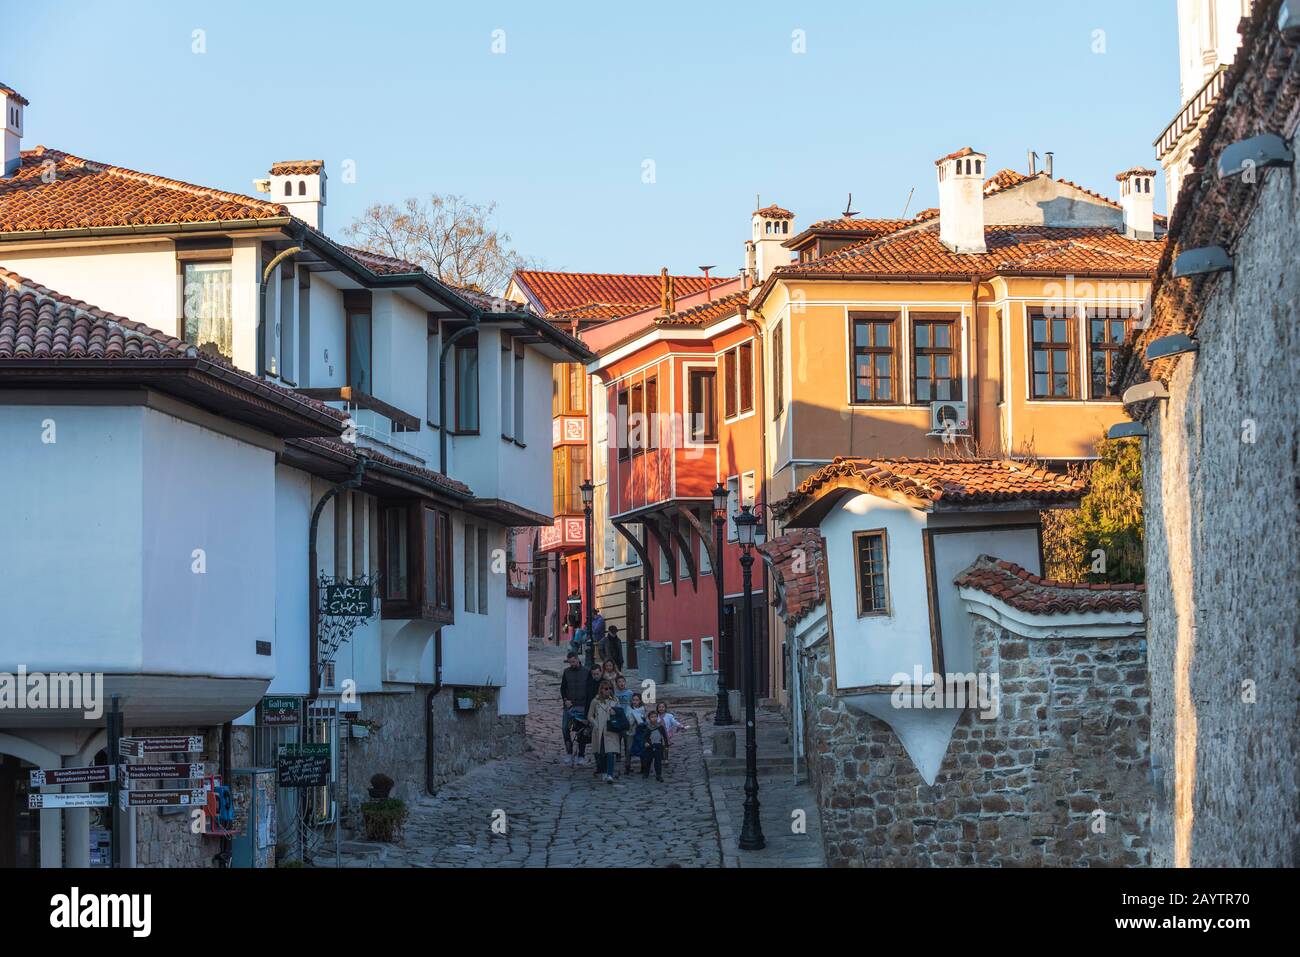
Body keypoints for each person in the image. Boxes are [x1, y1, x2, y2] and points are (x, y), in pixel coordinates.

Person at [586, 680, 623, 783]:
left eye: (610, 688)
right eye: (606, 689)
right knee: (601, 752)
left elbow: (620, 713)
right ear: (601, 690)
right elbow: (589, 716)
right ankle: (603, 772)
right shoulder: (595, 701)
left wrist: (615, 712)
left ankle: (610, 774)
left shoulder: (615, 700)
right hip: (599, 730)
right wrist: (595, 724)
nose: (608, 691)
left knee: (610, 752)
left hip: (611, 729)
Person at [559, 652, 590, 767]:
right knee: (565, 728)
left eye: (573, 661)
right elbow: (562, 688)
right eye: (570, 662)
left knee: (581, 731)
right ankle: (569, 751)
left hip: (582, 706)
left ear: (577, 659)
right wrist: (565, 700)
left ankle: (581, 755)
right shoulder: (566, 672)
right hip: (570, 706)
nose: (572, 664)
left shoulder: (586, 672)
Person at [624, 691, 647, 774]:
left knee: (641, 748)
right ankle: (627, 766)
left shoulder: (642, 709)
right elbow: (627, 718)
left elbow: (644, 720)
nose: (635, 702)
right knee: (629, 749)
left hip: (640, 732)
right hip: (630, 731)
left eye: (637, 700)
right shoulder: (628, 708)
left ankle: (643, 767)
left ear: (640, 701)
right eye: (633, 700)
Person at [640, 711, 667, 782]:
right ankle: (646, 773)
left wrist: (666, 745)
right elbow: (644, 737)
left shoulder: (660, 727)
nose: (654, 718)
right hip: (650, 747)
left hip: (658, 746)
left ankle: (658, 775)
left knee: (658, 761)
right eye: (652, 717)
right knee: (648, 761)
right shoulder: (648, 728)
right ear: (649, 719)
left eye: (655, 717)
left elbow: (664, 736)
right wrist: (645, 742)